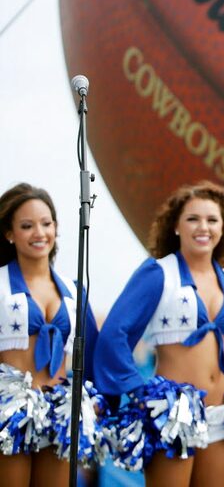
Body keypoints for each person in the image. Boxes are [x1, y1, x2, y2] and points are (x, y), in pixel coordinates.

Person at [95, 180, 224, 486]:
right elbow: (114, 334)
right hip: (174, 414)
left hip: (222, 412)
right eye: (193, 219)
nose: (204, 227)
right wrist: (138, 391)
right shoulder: (158, 273)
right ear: (176, 227)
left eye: (212, 220)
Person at [0, 182, 101, 486]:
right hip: (9, 416)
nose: (39, 233)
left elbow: (94, 353)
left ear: (56, 229)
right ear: (9, 234)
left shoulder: (73, 291)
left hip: (59, 414)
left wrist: (93, 403)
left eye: (46, 224)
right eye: (27, 226)